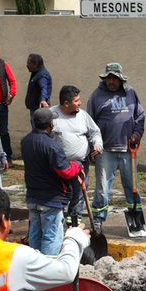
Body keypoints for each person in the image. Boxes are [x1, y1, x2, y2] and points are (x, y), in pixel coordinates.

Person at [85, 63, 146, 230]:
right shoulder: (96, 96)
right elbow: (89, 122)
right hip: (106, 151)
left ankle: (137, 221)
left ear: (121, 79)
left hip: (128, 150)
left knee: (132, 186)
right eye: (108, 78)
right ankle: (98, 219)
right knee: (103, 188)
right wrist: (93, 145)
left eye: (114, 78)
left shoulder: (130, 93)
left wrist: (137, 134)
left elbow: (140, 117)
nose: (111, 81)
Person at [21, 108, 82, 254]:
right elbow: (65, 171)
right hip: (51, 199)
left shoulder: (26, 141)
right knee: (51, 236)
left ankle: (34, 268)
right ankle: (49, 269)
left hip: (33, 197)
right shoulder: (52, 146)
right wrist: (77, 166)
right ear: (50, 124)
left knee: (35, 234)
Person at [50, 84, 102, 222]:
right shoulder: (52, 115)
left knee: (79, 192)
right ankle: (58, 220)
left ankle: (74, 219)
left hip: (80, 164)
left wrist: (97, 144)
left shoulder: (83, 115)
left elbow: (95, 132)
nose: (80, 103)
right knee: (60, 192)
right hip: (59, 164)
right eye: (76, 101)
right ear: (66, 103)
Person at [24, 53, 52, 124]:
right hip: (35, 109)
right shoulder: (36, 73)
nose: (27, 65)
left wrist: (43, 100)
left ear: (35, 65)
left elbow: (44, 88)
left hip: (38, 110)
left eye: (29, 63)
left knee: (38, 130)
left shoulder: (42, 75)